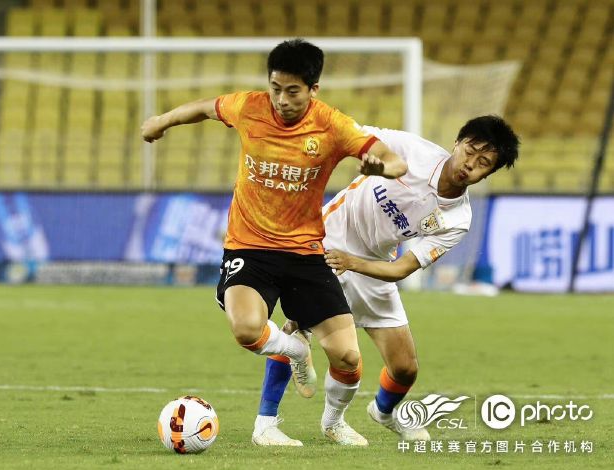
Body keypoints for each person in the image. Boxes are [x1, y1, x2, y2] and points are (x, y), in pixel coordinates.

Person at [141, 39, 406, 446]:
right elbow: (203, 108)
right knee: (247, 329)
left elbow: (394, 160)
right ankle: (296, 352)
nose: (281, 99)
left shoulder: (333, 126)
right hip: (249, 246)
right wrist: (162, 120)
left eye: (293, 91)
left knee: (349, 359)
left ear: (313, 89)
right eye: (276, 88)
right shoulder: (248, 107)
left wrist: (382, 168)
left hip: (304, 253)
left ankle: (333, 422)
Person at [252, 115, 520, 446]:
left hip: (373, 264)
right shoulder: (412, 150)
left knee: (405, 368)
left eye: (484, 163)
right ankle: (267, 423)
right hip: (329, 238)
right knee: (299, 327)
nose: (470, 165)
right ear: (457, 143)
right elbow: (354, 134)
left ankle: (382, 412)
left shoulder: (458, 219)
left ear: (488, 174)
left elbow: (403, 268)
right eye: (470, 150)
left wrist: (355, 263)